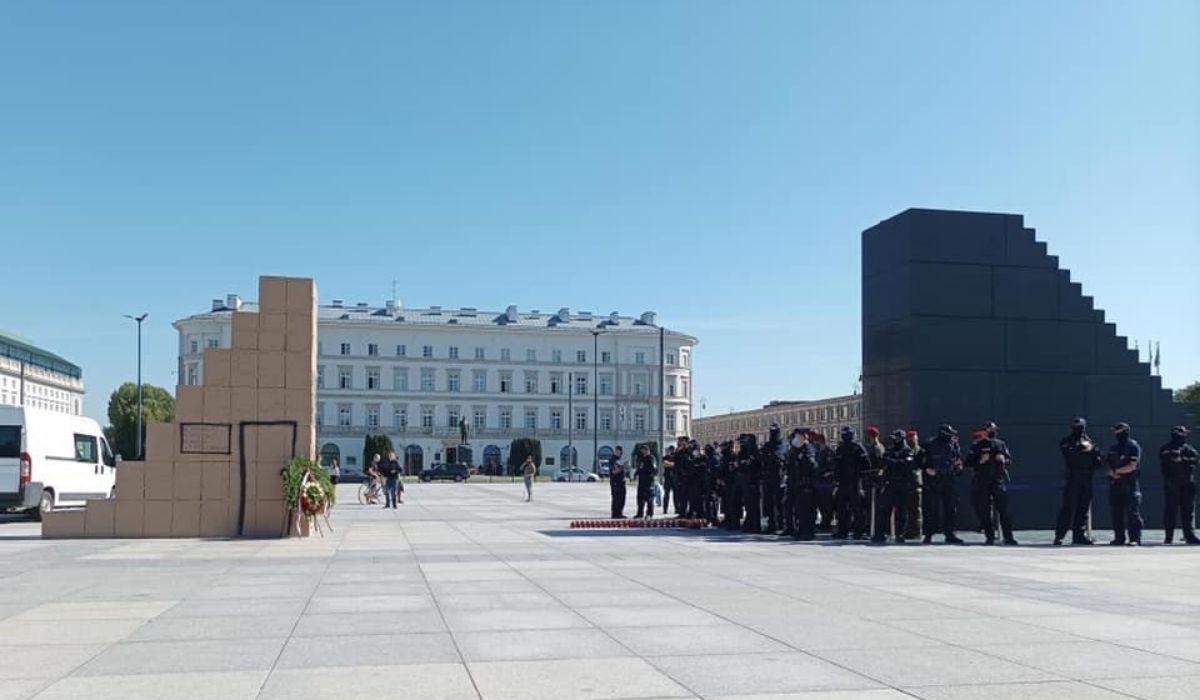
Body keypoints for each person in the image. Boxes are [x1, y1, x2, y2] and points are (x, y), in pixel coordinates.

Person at [1054, 417, 1103, 545]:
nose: (1079, 429)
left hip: (1087, 478)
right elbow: (1068, 454)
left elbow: (1098, 458)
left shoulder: (1089, 441)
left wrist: (1091, 450)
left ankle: (1079, 536)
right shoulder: (1067, 441)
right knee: (1068, 508)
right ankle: (1059, 536)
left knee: (1083, 509)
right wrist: (1081, 448)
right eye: (1076, 426)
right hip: (1073, 478)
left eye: (1080, 427)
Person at [968, 421, 1018, 545]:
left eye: (993, 429)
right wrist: (980, 461)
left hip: (997, 480)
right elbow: (968, 463)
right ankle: (989, 536)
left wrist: (1003, 460)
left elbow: (1009, 459)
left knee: (1004, 510)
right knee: (984, 511)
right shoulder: (978, 446)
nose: (992, 431)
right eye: (990, 429)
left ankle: (1008, 537)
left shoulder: (1000, 444)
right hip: (982, 481)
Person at [921, 425, 964, 544]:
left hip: (949, 479)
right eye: (949, 434)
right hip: (934, 480)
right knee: (931, 508)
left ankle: (950, 534)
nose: (951, 437)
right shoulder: (929, 444)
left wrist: (959, 466)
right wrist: (927, 469)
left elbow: (958, 457)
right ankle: (928, 534)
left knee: (951, 508)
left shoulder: (953, 443)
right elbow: (920, 459)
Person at [873, 430, 917, 543]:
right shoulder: (890, 450)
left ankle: (900, 534)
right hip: (890, 484)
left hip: (903, 485)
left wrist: (891, 462)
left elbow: (906, 465)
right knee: (884, 510)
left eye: (895, 439)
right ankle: (881, 533)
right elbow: (883, 463)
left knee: (901, 511)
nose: (893, 441)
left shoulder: (908, 451)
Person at [1160, 425, 1200, 544]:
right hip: (1172, 484)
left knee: (1188, 512)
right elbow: (1170, 463)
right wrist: (1184, 462)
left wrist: (1183, 460)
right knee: (1170, 511)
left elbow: (1196, 461)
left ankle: (1189, 536)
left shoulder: (1188, 449)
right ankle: (1169, 537)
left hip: (1188, 484)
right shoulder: (1166, 449)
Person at [1106, 422, 1143, 546]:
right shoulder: (1113, 447)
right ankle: (1119, 538)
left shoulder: (1133, 446)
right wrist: (1112, 472)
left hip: (1130, 485)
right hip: (1115, 484)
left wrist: (1117, 471)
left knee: (1133, 514)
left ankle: (1134, 539)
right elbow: (1108, 464)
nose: (1116, 434)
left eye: (1118, 431)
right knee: (1117, 513)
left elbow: (1132, 466)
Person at [832, 427, 869, 540]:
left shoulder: (857, 448)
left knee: (857, 508)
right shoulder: (841, 448)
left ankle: (859, 531)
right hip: (843, 482)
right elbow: (836, 465)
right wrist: (836, 478)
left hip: (854, 482)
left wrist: (861, 477)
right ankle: (842, 530)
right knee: (842, 508)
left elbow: (866, 465)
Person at [785, 429, 817, 540]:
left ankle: (807, 532)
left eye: (798, 436)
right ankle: (799, 530)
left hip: (806, 484)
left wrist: (802, 457)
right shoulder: (795, 450)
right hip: (796, 483)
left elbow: (812, 465)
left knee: (806, 510)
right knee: (798, 509)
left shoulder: (808, 449)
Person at [760, 424, 785, 533]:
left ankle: (780, 523)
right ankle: (771, 523)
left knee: (779, 502)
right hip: (768, 477)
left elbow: (783, 459)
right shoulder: (767, 445)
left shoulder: (783, 445)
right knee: (768, 502)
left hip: (779, 478)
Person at [863, 426, 886, 539]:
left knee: (874, 507)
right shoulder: (871, 447)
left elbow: (880, 465)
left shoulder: (877, 448)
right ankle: (869, 527)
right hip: (869, 480)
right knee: (868, 506)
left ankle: (873, 529)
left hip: (875, 482)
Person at [737, 433, 762, 532]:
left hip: (752, 481)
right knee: (748, 504)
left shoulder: (754, 452)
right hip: (745, 481)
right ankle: (749, 523)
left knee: (753, 505)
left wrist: (744, 464)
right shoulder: (744, 452)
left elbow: (751, 465)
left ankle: (754, 525)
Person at [812, 433, 835, 533]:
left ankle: (827, 522)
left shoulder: (828, 452)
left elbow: (832, 466)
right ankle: (823, 521)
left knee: (827, 504)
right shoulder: (817, 452)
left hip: (826, 482)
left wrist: (827, 473)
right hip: (818, 481)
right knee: (820, 503)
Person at [903, 430, 924, 539]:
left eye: (913, 438)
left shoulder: (919, 451)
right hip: (908, 483)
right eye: (910, 438)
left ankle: (916, 531)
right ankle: (910, 530)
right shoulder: (906, 451)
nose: (912, 440)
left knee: (916, 509)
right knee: (909, 509)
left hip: (916, 483)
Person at [634, 445, 657, 517]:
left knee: (649, 498)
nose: (642, 452)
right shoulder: (642, 458)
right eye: (642, 451)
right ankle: (639, 513)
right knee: (640, 498)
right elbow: (640, 468)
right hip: (641, 481)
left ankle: (650, 513)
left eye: (643, 450)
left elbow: (654, 469)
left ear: (647, 450)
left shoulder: (651, 458)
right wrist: (636, 474)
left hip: (648, 482)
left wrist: (650, 476)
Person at [609, 446, 628, 518]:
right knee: (616, 498)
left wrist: (625, 466)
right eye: (617, 451)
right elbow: (614, 471)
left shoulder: (621, 459)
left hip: (622, 481)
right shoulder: (612, 459)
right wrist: (621, 467)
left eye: (620, 452)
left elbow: (625, 469)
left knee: (622, 497)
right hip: (615, 481)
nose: (619, 453)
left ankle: (620, 513)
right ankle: (615, 514)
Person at [661, 445, 678, 515]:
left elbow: (676, 464)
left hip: (674, 478)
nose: (671, 451)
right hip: (667, 478)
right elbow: (664, 464)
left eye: (672, 450)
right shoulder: (665, 457)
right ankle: (665, 509)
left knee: (676, 495)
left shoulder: (676, 457)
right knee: (666, 494)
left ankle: (677, 509)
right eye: (670, 450)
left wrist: (670, 464)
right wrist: (671, 464)